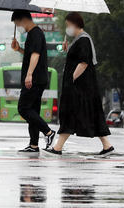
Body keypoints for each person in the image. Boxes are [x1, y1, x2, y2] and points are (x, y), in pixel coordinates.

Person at [44, 12, 114, 157]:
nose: (67, 28)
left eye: (68, 25)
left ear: (74, 24)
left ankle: (57, 148)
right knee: (90, 115)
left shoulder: (83, 40)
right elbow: (77, 59)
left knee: (70, 113)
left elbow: (83, 62)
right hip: (82, 88)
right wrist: (68, 49)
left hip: (80, 88)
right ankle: (107, 145)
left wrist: (71, 79)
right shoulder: (79, 40)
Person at [10, 9, 56, 153]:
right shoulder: (32, 34)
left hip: (34, 79)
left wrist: (29, 75)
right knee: (33, 111)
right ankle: (34, 145)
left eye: (17, 24)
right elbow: (30, 54)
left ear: (24, 20)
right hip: (37, 78)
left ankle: (48, 132)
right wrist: (19, 50)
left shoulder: (36, 33)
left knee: (23, 108)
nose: (18, 27)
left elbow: (35, 56)